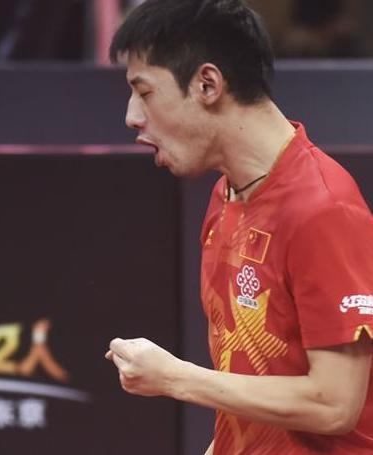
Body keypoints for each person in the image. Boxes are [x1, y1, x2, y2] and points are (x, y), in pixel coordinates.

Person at [103, 0, 373, 453]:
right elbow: (249, 384)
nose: (132, 115)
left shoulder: (323, 209)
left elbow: (334, 405)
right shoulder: (226, 196)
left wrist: (174, 377)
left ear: (207, 84)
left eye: (144, 92)